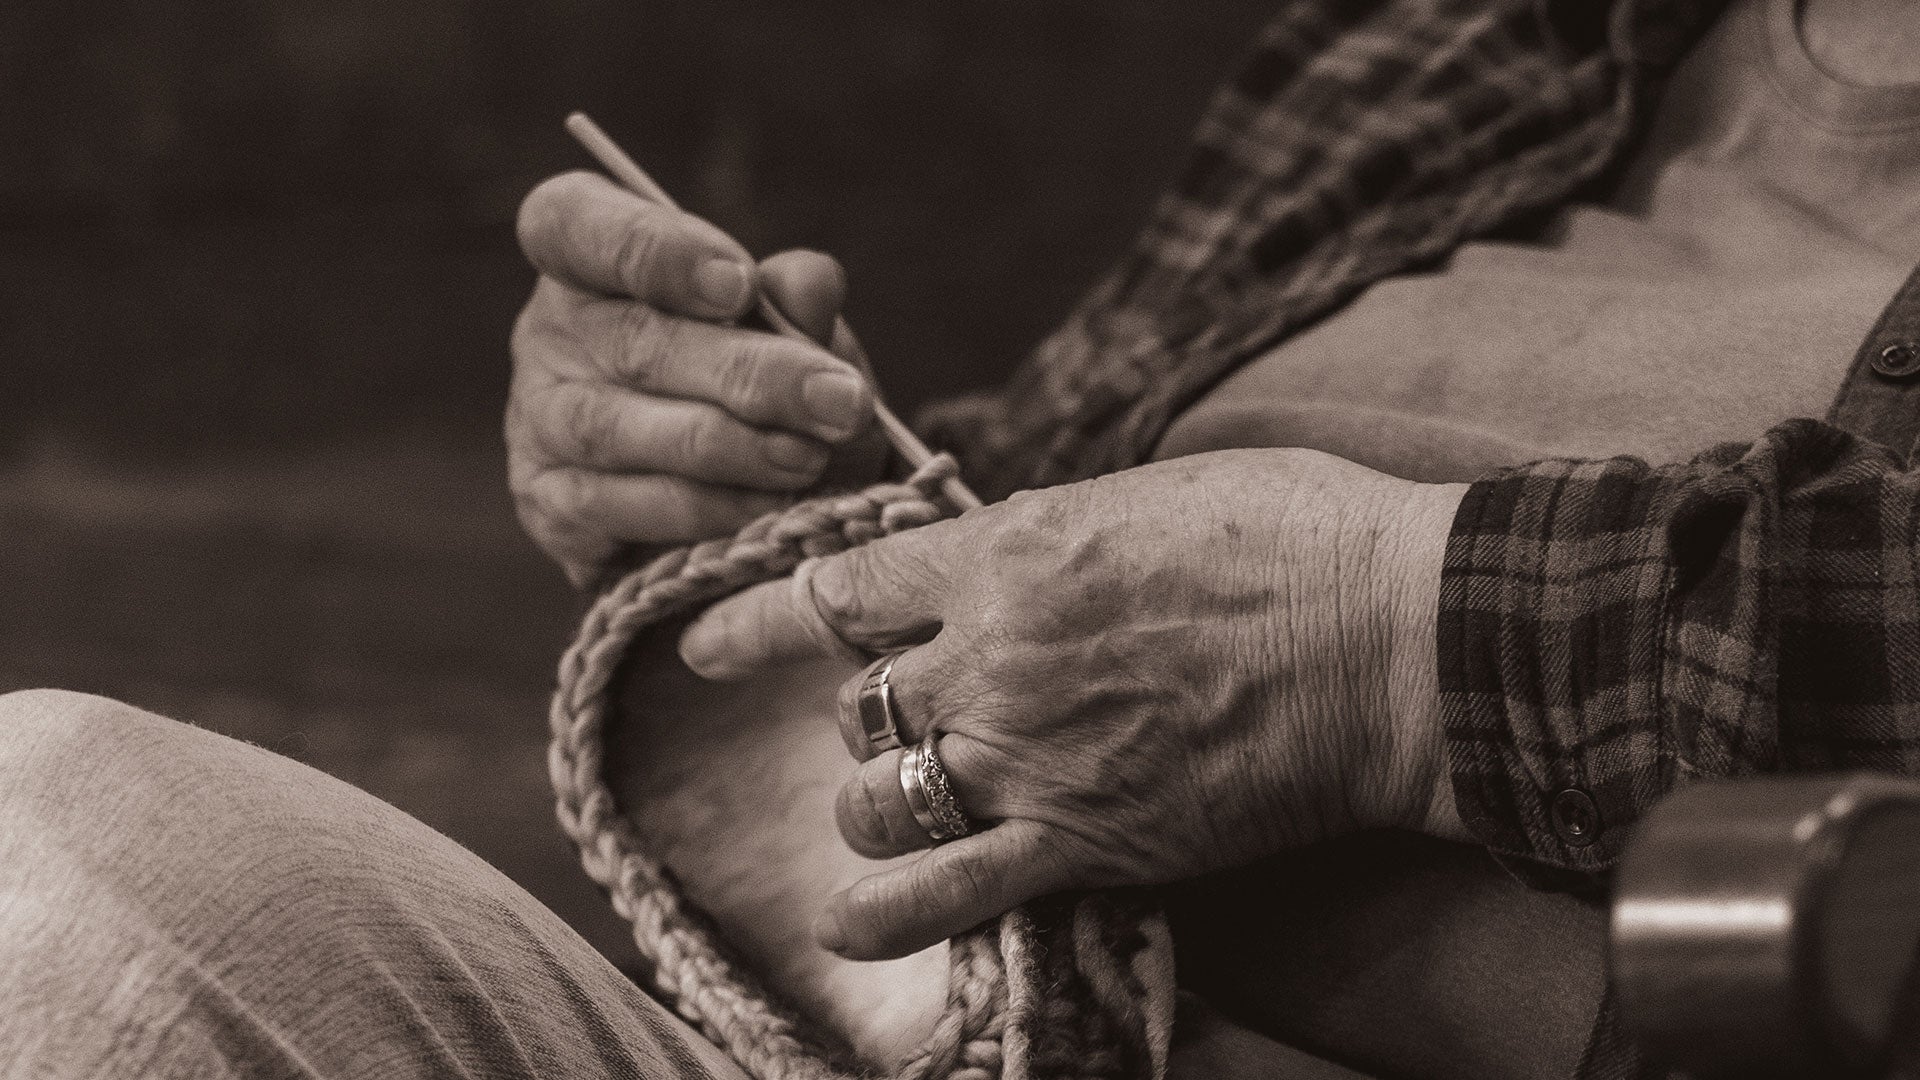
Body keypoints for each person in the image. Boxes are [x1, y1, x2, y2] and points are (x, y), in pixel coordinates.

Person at [1, 1, 1914, 1077]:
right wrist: (759, 500)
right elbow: (1043, 542)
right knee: (43, 836)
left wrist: (1385, 650)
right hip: (897, 1048)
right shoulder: (1463, 42)